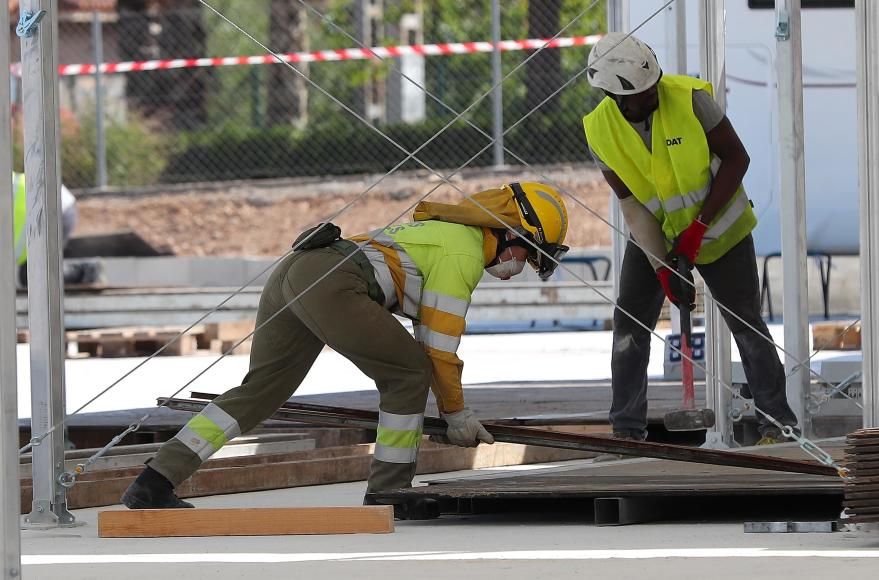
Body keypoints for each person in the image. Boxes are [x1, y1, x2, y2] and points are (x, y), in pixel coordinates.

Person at [121, 182, 570, 519]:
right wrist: (456, 415)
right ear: (510, 232)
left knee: (260, 390)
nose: (521, 269)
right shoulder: (463, 252)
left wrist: (452, 409)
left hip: (294, 271)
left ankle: (155, 480)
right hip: (336, 281)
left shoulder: (445, 233)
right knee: (408, 374)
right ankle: (389, 490)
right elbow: (438, 349)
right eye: (528, 255)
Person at [582, 32, 798, 446]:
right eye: (642, 95)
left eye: (652, 86)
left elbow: (738, 158)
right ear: (614, 96)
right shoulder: (599, 131)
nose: (652, 95)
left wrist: (699, 227)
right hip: (656, 235)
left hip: (720, 231)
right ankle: (627, 433)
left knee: (746, 323)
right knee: (629, 324)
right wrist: (662, 268)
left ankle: (778, 425)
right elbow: (631, 202)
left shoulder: (690, 97)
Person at [11, 171, 102, 286]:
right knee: (30, 275)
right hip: (52, 207)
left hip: (54, 210)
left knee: (35, 275)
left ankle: (88, 270)